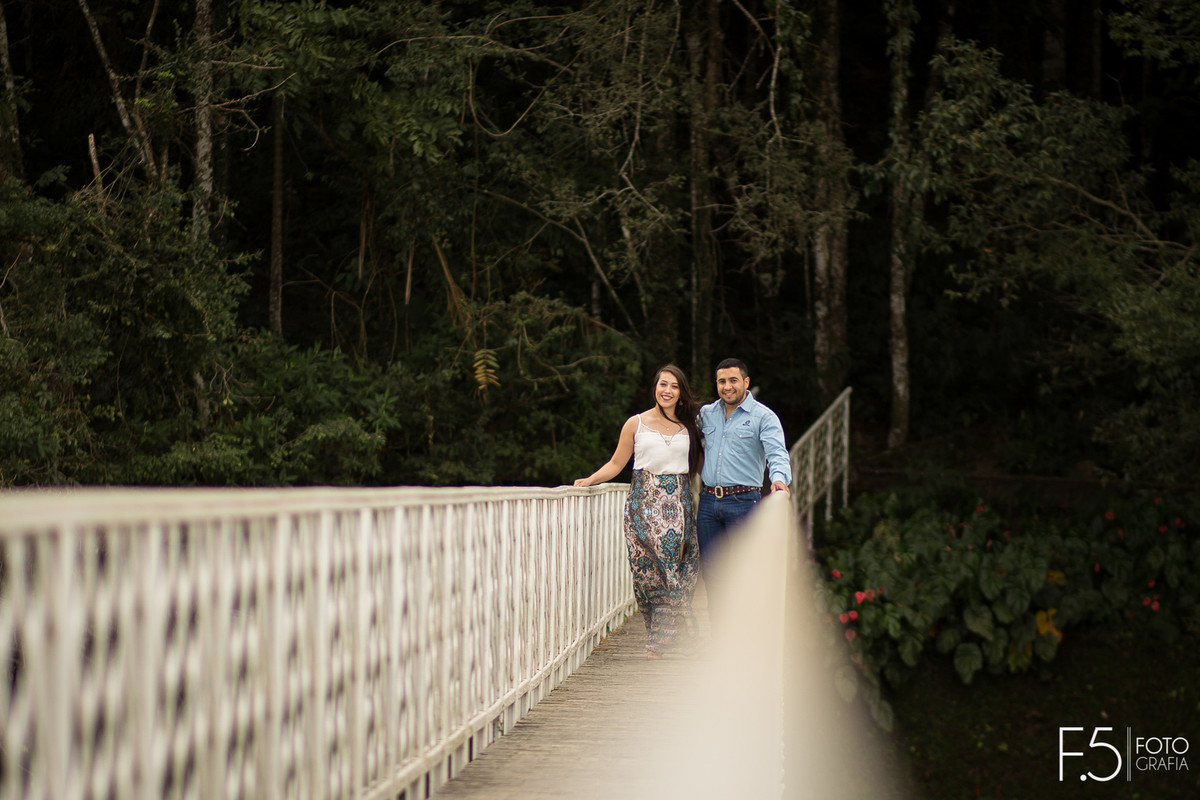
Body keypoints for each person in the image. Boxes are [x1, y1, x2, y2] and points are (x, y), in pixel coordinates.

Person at [574, 364, 703, 659]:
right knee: (648, 576)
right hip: (642, 507)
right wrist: (591, 479)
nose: (667, 391)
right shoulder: (637, 424)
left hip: (677, 510)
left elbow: (701, 468)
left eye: (674, 386)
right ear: (655, 388)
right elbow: (616, 464)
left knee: (673, 571)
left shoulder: (690, 428)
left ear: (681, 392)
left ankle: (662, 642)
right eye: (663, 385)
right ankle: (668, 636)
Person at [696, 358, 792, 566]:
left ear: (746, 382)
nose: (727, 386)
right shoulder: (706, 414)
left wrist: (779, 479)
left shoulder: (764, 417)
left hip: (744, 502)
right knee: (712, 572)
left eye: (733, 380)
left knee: (745, 569)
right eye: (722, 381)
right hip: (708, 502)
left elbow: (777, 453)